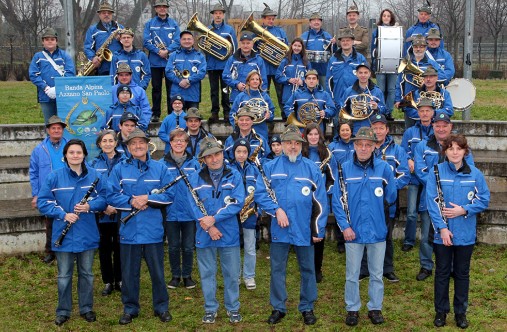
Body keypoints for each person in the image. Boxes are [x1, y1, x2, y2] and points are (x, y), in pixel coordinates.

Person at [254, 124, 328, 326]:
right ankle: (278, 307)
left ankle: (307, 307)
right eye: (289, 143)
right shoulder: (270, 167)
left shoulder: (312, 168)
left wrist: (317, 229)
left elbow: (320, 202)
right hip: (280, 228)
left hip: (304, 229)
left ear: (301, 145)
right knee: (277, 269)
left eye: (296, 143)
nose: (293, 146)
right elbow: (261, 193)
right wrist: (276, 210)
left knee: (308, 269)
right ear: (282, 145)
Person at [107, 128, 175, 325]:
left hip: (153, 230)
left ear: (148, 145)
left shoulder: (160, 168)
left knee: (157, 272)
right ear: (127, 147)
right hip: (129, 230)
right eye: (133, 143)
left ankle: (161, 307)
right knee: (129, 273)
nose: (138, 146)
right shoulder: (119, 169)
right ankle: (130, 308)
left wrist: (149, 198)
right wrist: (131, 201)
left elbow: (169, 196)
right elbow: (111, 195)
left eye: (141, 143)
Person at [331, 127, 397, 326]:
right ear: (354, 145)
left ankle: (375, 308)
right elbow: (337, 201)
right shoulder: (343, 169)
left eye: (368, 144)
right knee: (352, 274)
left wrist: (384, 224)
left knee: (377, 274)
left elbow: (391, 198)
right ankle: (352, 308)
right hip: (353, 232)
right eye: (360, 144)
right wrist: (345, 227)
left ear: (374, 146)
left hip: (377, 231)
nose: (363, 148)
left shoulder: (384, 169)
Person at [37, 139, 106, 326]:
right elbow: (43, 201)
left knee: (87, 274)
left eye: (79, 152)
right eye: (71, 152)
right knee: (64, 276)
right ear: (65, 156)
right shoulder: (54, 177)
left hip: (87, 233)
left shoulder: (95, 176)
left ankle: (86, 308)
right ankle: (63, 310)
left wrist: (90, 206)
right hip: (64, 234)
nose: (75, 155)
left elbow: (105, 198)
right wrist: (62, 214)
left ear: (84, 155)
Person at [426, 134, 490, 329]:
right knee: (442, 273)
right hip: (442, 235)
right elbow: (432, 202)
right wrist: (443, 229)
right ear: (445, 151)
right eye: (451, 148)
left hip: (465, 234)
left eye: (459, 149)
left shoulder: (475, 174)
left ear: (465, 151)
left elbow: (484, 199)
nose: (455, 152)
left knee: (462, 274)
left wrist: (464, 210)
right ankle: (441, 312)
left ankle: (460, 313)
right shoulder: (436, 171)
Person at [186, 136, 245, 324]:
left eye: (217, 154)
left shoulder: (234, 175)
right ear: (203, 159)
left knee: (232, 273)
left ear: (222, 154)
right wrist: (209, 225)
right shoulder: (194, 177)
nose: (214, 159)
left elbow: (237, 202)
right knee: (207, 273)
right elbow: (193, 205)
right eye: (209, 156)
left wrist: (214, 219)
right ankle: (210, 308)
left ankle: (233, 307)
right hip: (204, 233)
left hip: (229, 233)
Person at [413, 113, 474, 282]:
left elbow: (470, 171)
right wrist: (436, 187)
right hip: (430, 199)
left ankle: (453, 267)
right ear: (432, 126)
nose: (441, 128)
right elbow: (420, 170)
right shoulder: (422, 146)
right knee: (426, 235)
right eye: (437, 125)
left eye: (444, 125)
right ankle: (426, 265)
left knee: (452, 232)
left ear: (450, 126)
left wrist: (449, 187)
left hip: (454, 200)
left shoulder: (460, 147)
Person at [358, 114, 410, 283]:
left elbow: (404, 174)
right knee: (364, 232)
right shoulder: (365, 148)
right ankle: (364, 268)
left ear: (387, 130)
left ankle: (387, 268)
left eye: (381, 128)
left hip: (388, 202)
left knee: (386, 234)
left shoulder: (398, 150)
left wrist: (389, 188)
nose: (378, 131)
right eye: (375, 128)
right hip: (366, 201)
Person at [161, 130, 200, 289]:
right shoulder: (162, 164)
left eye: (182, 141)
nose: (179, 143)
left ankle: (187, 275)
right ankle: (176, 275)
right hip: (171, 213)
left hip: (190, 213)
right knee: (174, 245)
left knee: (188, 246)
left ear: (186, 144)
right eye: (175, 140)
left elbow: (199, 187)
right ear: (170, 143)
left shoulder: (194, 163)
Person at [29, 116, 69, 264]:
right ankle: (51, 251)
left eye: (59, 128)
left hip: (67, 189)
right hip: (48, 192)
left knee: (68, 218)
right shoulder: (39, 149)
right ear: (48, 130)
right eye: (53, 128)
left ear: (63, 130)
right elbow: (34, 173)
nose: (57, 130)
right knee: (50, 222)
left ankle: (67, 249)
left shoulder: (70, 146)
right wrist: (36, 194)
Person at [90, 129, 125, 296]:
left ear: (116, 143)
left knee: (119, 247)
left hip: (120, 212)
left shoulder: (125, 161)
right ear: (99, 144)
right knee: (104, 248)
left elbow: (127, 187)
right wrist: (104, 207)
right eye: (104, 141)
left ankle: (120, 279)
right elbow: (92, 190)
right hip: (102, 213)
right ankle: (107, 281)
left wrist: (117, 205)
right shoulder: (93, 164)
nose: (108, 144)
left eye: (111, 140)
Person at [302, 123, 337, 283]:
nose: (313, 137)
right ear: (306, 136)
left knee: (318, 234)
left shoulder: (327, 154)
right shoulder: (302, 153)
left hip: (319, 202)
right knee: (304, 233)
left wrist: (324, 191)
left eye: (316, 134)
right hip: (303, 200)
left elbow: (332, 178)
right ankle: (306, 267)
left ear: (320, 136)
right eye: (310, 134)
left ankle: (317, 269)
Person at [400, 97, 435, 252]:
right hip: (414, 177)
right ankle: (409, 240)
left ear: (433, 112)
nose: (425, 113)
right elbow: (403, 151)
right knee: (412, 213)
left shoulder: (437, 131)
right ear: (418, 113)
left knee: (430, 211)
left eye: (428, 110)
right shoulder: (410, 131)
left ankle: (431, 239)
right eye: (421, 111)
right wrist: (408, 160)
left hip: (431, 178)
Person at [228, 139, 260, 290]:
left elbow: (260, 191)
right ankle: (234, 276)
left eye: (244, 152)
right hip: (232, 213)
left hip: (250, 212)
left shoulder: (254, 168)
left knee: (249, 247)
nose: (241, 155)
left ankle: (249, 276)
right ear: (233, 153)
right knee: (233, 246)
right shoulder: (227, 169)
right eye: (238, 152)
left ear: (248, 153)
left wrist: (257, 208)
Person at [395, 35, 444, 128]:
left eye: (421, 47)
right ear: (412, 48)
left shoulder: (431, 63)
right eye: (416, 47)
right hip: (410, 102)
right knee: (410, 130)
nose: (418, 49)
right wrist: (398, 99)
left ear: (425, 48)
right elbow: (399, 83)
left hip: (427, 102)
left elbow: (443, 77)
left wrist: (427, 78)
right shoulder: (406, 63)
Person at [143, 0, 181, 122]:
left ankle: (172, 113)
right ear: (156, 9)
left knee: (171, 89)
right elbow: (146, 41)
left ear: (167, 8)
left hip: (169, 61)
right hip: (154, 61)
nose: (162, 9)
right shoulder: (150, 23)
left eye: (164, 7)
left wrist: (167, 51)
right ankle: (156, 113)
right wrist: (158, 51)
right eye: (159, 7)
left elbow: (177, 41)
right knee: (156, 88)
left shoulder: (173, 24)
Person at [29, 28, 75, 123]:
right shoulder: (38, 56)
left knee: (64, 124)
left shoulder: (64, 56)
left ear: (56, 41)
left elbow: (70, 73)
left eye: (52, 39)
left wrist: (58, 88)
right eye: (47, 39)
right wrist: (45, 88)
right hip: (45, 96)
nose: (50, 41)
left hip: (63, 95)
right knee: (49, 124)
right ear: (43, 42)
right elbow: (33, 74)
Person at [207, 4, 238, 122]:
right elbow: (204, 47)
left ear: (223, 15)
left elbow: (234, 48)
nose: (218, 15)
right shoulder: (208, 29)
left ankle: (226, 111)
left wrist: (233, 63)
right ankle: (214, 112)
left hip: (226, 65)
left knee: (226, 90)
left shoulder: (229, 29)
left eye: (220, 13)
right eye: (216, 13)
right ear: (213, 15)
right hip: (212, 65)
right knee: (213, 91)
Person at [328, 121, 354, 253]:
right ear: (339, 132)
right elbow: (329, 166)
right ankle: (341, 241)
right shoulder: (332, 146)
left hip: (353, 183)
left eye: (347, 130)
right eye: (342, 130)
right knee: (340, 210)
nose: (345, 132)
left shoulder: (356, 145)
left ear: (351, 131)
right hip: (338, 182)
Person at [338, 63, 387, 134]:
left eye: (365, 72)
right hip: (354, 127)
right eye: (360, 73)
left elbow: (384, 110)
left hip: (371, 126)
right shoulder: (349, 91)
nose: (363, 75)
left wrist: (377, 107)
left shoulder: (377, 91)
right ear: (356, 74)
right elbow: (342, 108)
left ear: (370, 74)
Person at [223, 31, 268, 105]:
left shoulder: (258, 60)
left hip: (254, 98)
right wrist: (236, 84)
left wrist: (261, 96)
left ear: (252, 44)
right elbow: (225, 75)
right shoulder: (232, 59)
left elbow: (263, 80)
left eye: (248, 43)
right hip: (236, 96)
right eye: (243, 43)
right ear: (240, 44)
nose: (245, 45)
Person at [327, 28, 367, 111]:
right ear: (340, 43)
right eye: (343, 41)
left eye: (348, 40)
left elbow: (366, 79)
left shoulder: (360, 59)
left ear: (352, 42)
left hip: (356, 100)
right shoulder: (333, 59)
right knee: (338, 123)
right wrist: (331, 99)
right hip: (337, 100)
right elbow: (328, 81)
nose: (345, 43)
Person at [258, 3, 288, 112]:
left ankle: (285, 115)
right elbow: (254, 50)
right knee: (264, 92)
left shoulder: (280, 31)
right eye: (269, 19)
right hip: (263, 68)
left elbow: (286, 48)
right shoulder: (257, 32)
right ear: (263, 19)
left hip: (278, 68)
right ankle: (266, 114)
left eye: (272, 19)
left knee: (281, 93)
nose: (271, 21)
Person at [165, 30, 207, 109]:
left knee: (193, 119)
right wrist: (179, 81)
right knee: (178, 120)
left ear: (193, 40)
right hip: (177, 94)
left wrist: (188, 80)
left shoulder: (200, 56)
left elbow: (202, 72)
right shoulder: (173, 55)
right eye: (184, 39)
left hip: (193, 94)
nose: (186, 41)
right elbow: (168, 71)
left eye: (189, 39)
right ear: (180, 41)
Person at [229, 71, 275, 140]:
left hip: (261, 128)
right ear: (248, 82)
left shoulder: (265, 96)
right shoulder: (241, 96)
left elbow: (271, 111)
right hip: (244, 130)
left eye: (257, 79)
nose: (255, 81)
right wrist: (238, 127)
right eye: (252, 79)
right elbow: (232, 114)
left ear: (260, 82)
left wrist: (269, 115)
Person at [83, 1, 124, 76]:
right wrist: (93, 58)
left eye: (109, 13)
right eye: (104, 13)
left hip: (119, 65)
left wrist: (121, 40)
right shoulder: (92, 30)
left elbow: (128, 44)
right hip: (102, 66)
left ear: (112, 14)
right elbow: (87, 47)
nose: (106, 15)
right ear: (99, 15)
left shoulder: (120, 28)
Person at [371, 9, 397, 120]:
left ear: (391, 18)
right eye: (384, 16)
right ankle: (380, 111)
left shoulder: (396, 30)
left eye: (388, 16)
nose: (386, 18)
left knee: (391, 90)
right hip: (380, 63)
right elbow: (373, 48)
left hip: (393, 63)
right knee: (380, 89)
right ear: (381, 18)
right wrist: (373, 63)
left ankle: (389, 112)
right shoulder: (376, 31)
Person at [275, 38, 312, 115]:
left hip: (302, 95)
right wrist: (288, 80)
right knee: (288, 119)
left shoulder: (306, 62)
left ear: (302, 48)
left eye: (299, 46)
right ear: (291, 46)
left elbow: (311, 78)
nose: (296, 48)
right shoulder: (285, 61)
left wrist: (302, 81)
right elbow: (278, 76)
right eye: (295, 45)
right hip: (288, 94)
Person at [300, 13, 335, 88]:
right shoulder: (304, 36)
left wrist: (334, 44)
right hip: (309, 71)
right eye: (314, 20)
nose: (316, 22)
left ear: (321, 23)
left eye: (318, 20)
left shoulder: (327, 36)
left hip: (324, 71)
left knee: (324, 92)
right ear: (310, 23)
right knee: (309, 93)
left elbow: (333, 51)